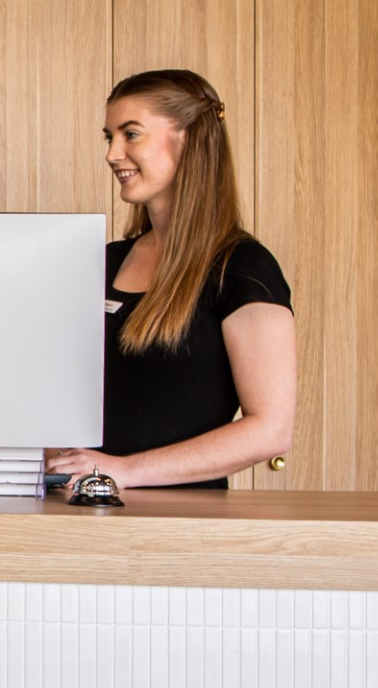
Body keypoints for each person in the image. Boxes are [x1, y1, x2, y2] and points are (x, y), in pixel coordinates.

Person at [47, 68, 296, 491]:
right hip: (81, 513)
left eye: (131, 134)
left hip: (180, 526)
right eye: (110, 137)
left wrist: (123, 471)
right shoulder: (101, 263)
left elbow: (270, 429)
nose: (112, 153)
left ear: (188, 139)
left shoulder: (242, 268)